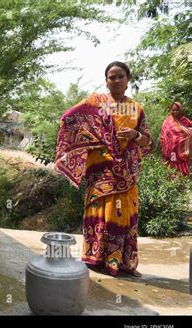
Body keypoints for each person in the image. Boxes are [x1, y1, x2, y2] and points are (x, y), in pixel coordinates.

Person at [55, 61, 153, 277]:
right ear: (106, 81)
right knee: (101, 214)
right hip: (100, 172)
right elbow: (69, 118)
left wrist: (134, 136)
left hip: (126, 174)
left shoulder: (136, 108)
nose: (116, 80)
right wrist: (91, 141)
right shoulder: (97, 103)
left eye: (120, 76)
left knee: (125, 217)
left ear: (128, 80)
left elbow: (147, 140)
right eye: (112, 77)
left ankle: (124, 263)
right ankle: (96, 259)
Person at [160, 101, 191, 176]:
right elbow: (163, 137)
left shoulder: (184, 120)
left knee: (182, 177)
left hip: (182, 153)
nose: (175, 112)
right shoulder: (167, 122)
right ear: (170, 110)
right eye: (173, 110)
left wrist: (187, 133)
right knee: (172, 173)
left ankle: (182, 184)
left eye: (177, 110)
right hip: (171, 152)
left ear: (180, 110)